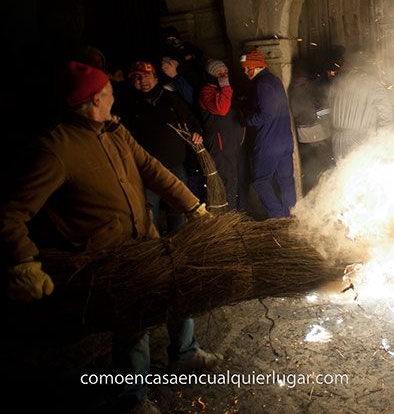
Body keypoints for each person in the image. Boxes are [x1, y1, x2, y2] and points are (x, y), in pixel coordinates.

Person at [1, 61, 220, 413]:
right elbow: (11, 212)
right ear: (92, 101)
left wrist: (193, 206)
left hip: (144, 239)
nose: (114, 95)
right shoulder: (55, 149)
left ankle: (185, 353)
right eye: (108, 92)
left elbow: (151, 168)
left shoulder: (114, 130)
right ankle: (131, 397)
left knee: (178, 289)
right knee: (131, 326)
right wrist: (24, 260)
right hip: (108, 255)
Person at [118, 61, 204, 233]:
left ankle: (178, 241)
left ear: (156, 78)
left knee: (178, 207)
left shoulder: (171, 98)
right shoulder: (128, 105)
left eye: (147, 76)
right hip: (146, 170)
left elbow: (191, 121)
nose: (143, 80)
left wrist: (196, 132)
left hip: (176, 166)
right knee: (149, 210)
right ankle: (155, 246)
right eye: (137, 77)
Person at [240, 48, 296, 218]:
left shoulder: (262, 84)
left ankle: (277, 216)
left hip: (269, 144)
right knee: (286, 180)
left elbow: (266, 114)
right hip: (285, 140)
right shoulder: (274, 80)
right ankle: (292, 214)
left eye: (245, 68)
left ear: (254, 67)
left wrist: (246, 120)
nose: (244, 72)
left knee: (260, 180)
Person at [288, 46, 341, 193]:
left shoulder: (294, 87)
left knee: (311, 167)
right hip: (318, 134)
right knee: (323, 167)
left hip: (304, 136)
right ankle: (324, 194)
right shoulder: (310, 88)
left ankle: (313, 192)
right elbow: (320, 110)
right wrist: (328, 117)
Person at [329, 48, 394, 160]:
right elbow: (386, 116)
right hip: (360, 142)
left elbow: (330, 106)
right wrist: (384, 143)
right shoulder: (374, 86)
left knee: (340, 174)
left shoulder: (337, 82)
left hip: (337, 141)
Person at [198, 59, 246, 210]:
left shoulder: (223, 89)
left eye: (225, 72)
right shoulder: (206, 92)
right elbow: (222, 109)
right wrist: (226, 87)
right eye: (219, 73)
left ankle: (239, 212)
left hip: (232, 144)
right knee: (227, 181)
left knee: (236, 179)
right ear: (211, 75)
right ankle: (229, 217)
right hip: (220, 145)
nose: (224, 76)